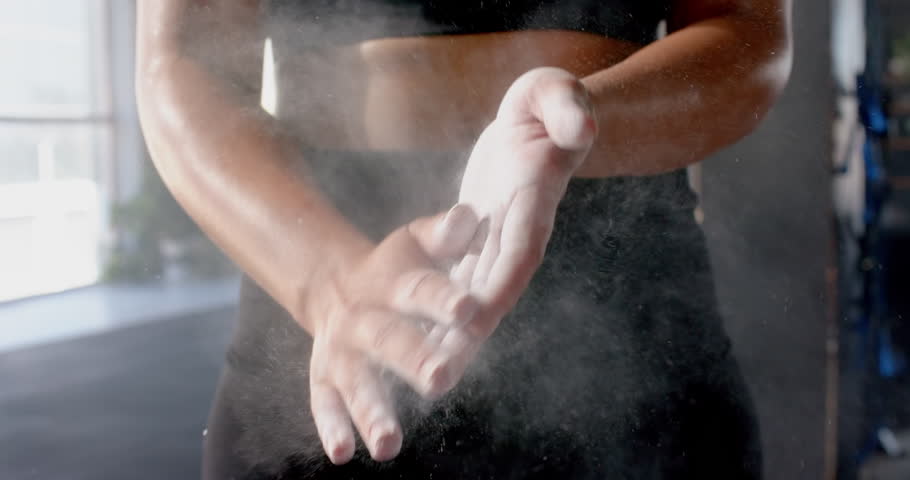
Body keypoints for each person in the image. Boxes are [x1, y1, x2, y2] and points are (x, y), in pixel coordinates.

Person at [136, 0, 792, 478]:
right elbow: (183, 59)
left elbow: (746, 34)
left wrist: (577, 125)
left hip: (626, 293)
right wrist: (329, 283)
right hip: (333, 282)